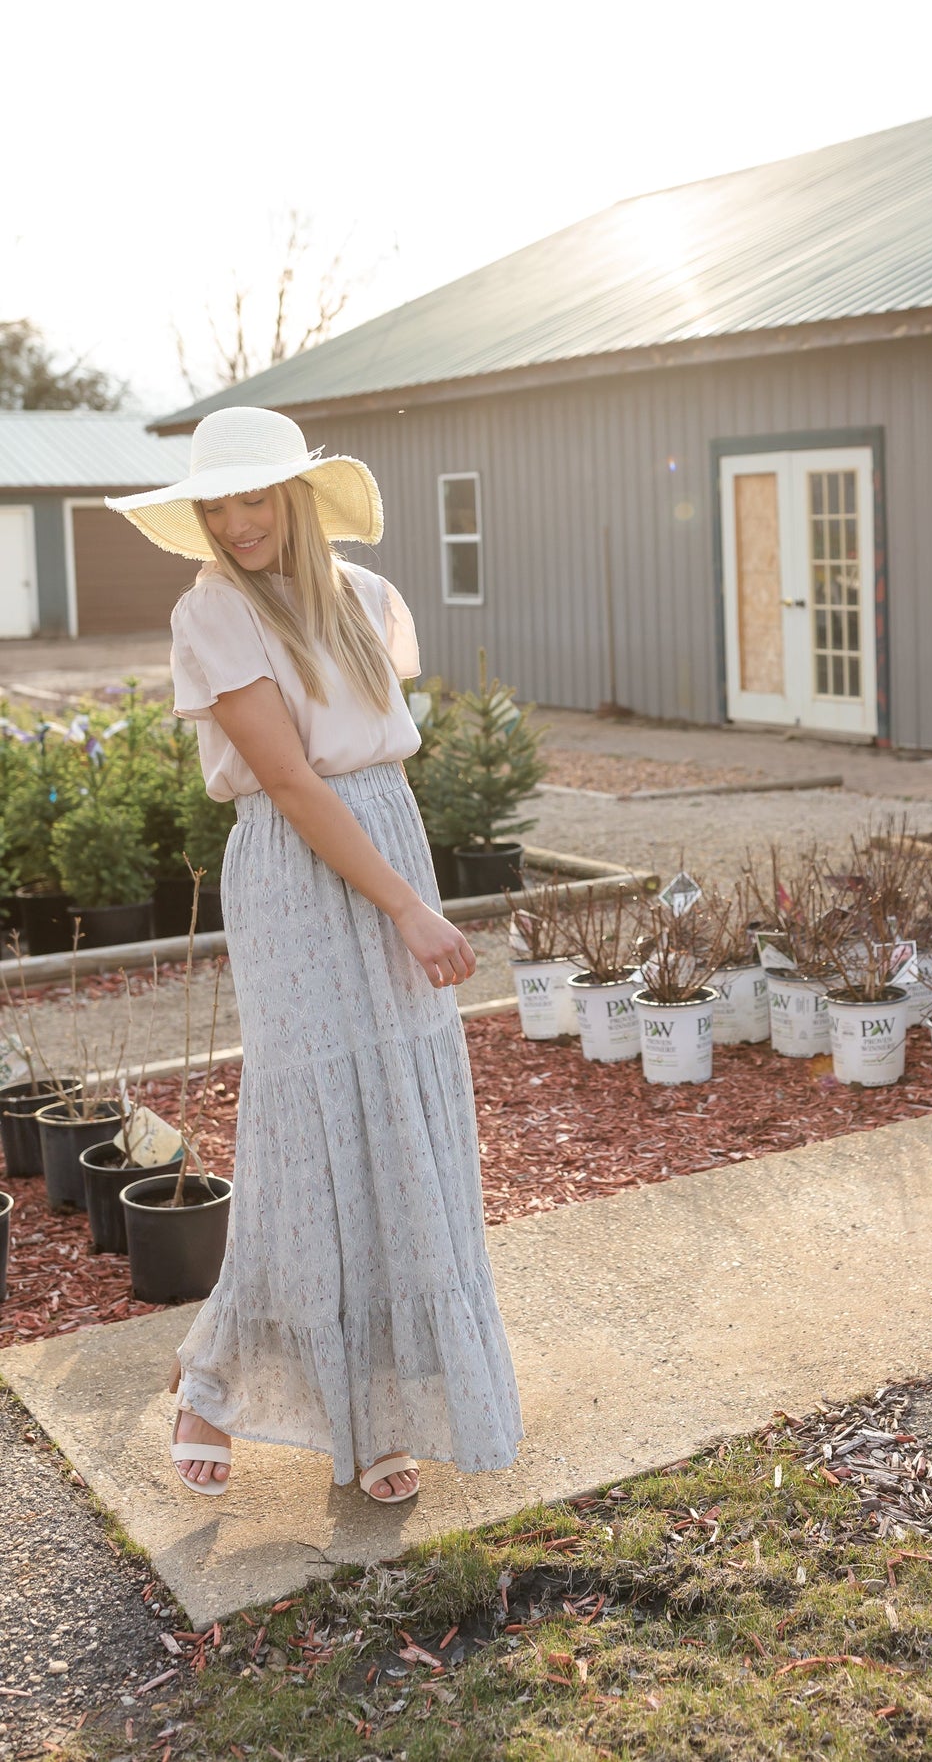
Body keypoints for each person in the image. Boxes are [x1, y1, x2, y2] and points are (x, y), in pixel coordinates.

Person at [106, 406, 523, 1505]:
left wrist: (404, 888)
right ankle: (213, 1384)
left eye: (257, 497)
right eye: (219, 503)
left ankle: (377, 1406)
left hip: (384, 841)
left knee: (395, 1125)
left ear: (296, 495)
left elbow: (374, 766)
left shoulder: (372, 599)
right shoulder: (212, 612)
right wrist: (409, 910)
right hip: (299, 874)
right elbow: (292, 784)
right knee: (309, 1139)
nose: (239, 522)